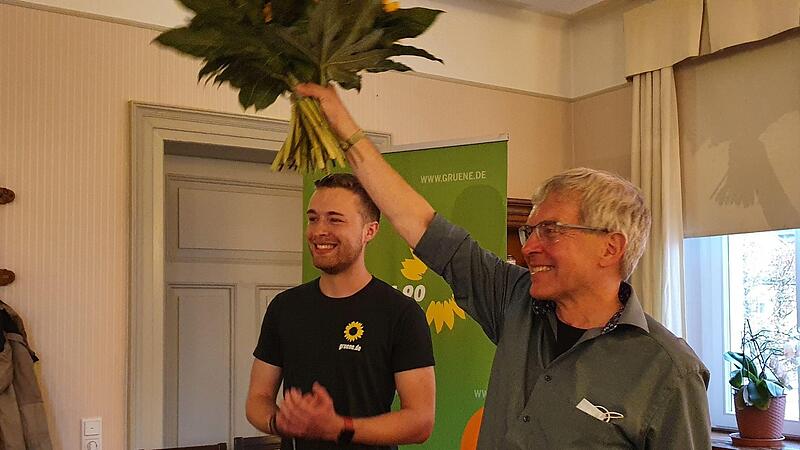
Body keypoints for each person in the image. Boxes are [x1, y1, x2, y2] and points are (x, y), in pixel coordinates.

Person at [293, 82, 712, 449]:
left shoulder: (669, 372)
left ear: (610, 248)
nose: (530, 247)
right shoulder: (516, 302)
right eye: (531, 231)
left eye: (551, 230)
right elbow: (419, 223)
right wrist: (343, 127)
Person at [245, 174, 436, 449]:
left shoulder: (401, 313)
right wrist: (278, 422)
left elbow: (420, 421)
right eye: (313, 218)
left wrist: (340, 428)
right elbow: (257, 398)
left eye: (335, 219)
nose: (319, 231)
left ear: (369, 231)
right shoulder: (284, 307)